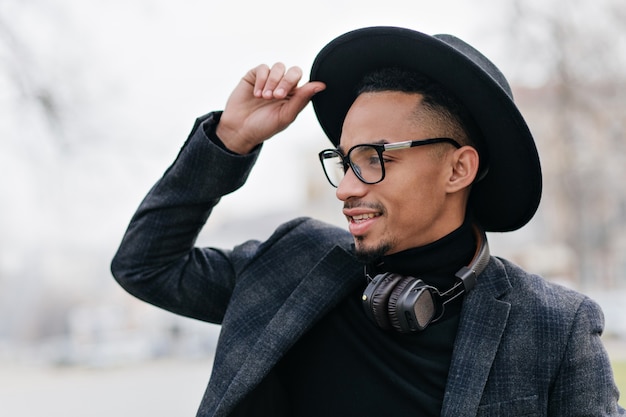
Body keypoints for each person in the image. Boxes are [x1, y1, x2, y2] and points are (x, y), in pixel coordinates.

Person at [111, 26, 624, 416]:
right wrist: (230, 141)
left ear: (458, 168)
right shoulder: (293, 261)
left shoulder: (554, 327)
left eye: (376, 158)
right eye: (344, 159)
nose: (347, 187)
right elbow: (145, 266)